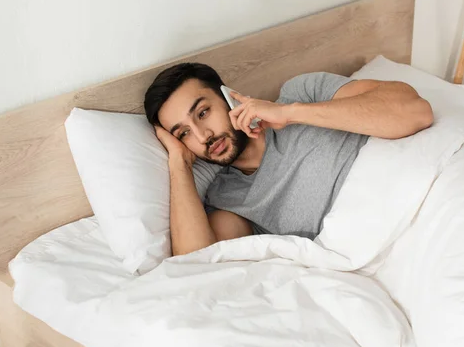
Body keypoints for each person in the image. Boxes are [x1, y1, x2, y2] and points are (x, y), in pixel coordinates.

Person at [144, 63, 433, 256]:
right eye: (183, 133)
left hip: (428, 202)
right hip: (391, 250)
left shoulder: (301, 93)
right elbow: (195, 265)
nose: (202, 135)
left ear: (228, 97)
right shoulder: (227, 199)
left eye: (203, 113)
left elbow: (414, 111)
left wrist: (291, 113)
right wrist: (179, 163)